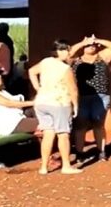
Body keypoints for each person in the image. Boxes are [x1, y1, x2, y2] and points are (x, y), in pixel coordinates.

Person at [29, 40, 82, 175]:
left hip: (42, 102)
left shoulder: (46, 62)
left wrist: (38, 88)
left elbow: (31, 71)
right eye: (65, 50)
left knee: (48, 133)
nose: (68, 53)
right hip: (59, 103)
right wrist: (75, 104)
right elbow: (73, 89)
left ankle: (44, 167)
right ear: (58, 51)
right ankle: (66, 165)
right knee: (63, 134)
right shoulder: (65, 68)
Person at [70, 35, 111, 162]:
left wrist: (97, 40)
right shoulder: (76, 60)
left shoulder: (102, 57)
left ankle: (101, 151)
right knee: (80, 127)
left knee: (99, 125)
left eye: (92, 45)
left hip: (101, 96)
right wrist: (83, 42)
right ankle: (80, 153)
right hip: (81, 97)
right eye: (88, 45)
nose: (90, 46)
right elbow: (68, 54)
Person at [0, 68, 38, 135]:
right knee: (46, 124)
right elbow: (10, 103)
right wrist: (33, 102)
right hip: (12, 124)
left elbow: (16, 101)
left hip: (19, 118)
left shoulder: (2, 92)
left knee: (38, 110)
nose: (0, 77)